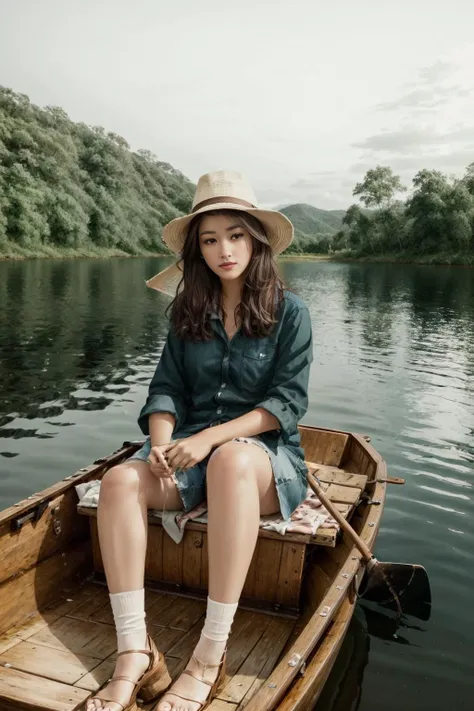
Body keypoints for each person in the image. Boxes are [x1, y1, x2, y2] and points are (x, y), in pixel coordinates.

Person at [86, 170, 313, 711]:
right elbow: (165, 390)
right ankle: (134, 652)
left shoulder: (291, 312)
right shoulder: (188, 311)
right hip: (191, 455)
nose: (223, 250)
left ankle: (210, 658)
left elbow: (286, 404)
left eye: (235, 235)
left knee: (230, 461)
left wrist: (210, 438)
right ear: (197, 249)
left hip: (263, 462)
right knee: (120, 479)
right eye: (209, 240)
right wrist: (162, 445)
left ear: (255, 240)